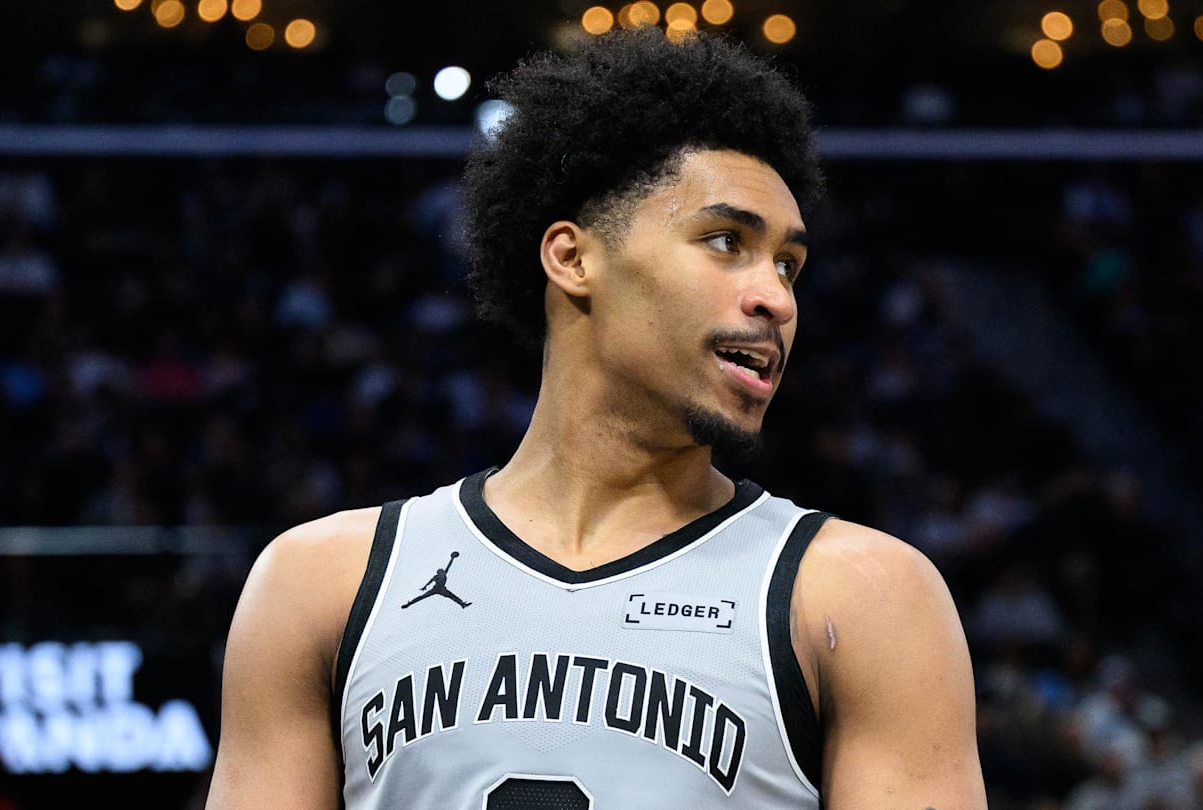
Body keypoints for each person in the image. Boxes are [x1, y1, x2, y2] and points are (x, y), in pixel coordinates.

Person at [207, 27, 985, 809]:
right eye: (726, 242)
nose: (777, 298)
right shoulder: (322, 585)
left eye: (788, 265)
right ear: (573, 258)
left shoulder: (863, 598)